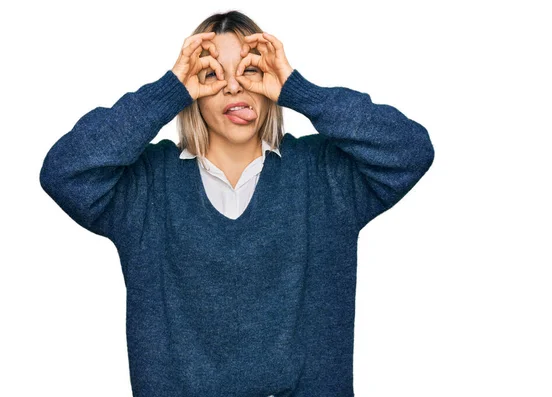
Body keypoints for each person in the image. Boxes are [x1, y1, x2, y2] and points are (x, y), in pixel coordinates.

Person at [39, 10, 435, 397]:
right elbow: (65, 171)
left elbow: (410, 149)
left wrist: (302, 91)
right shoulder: (146, 186)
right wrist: (165, 93)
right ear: (190, 92)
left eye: (249, 71)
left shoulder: (325, 175)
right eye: (211, 75)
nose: (233, 88)